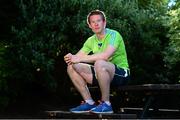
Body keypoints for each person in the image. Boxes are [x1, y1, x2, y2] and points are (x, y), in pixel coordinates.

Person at [64, 10, 130, 114]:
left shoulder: (114, 35)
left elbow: (105, 56)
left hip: (121, 74)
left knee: (99, 63)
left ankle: (106, 104)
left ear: (104, 22)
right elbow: (77, 57)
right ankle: (89, 102)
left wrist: (79, 58)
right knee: (71, 66)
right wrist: (71, 57)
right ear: (89, 25)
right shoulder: (90, 40)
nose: (96, 24)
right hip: (101, 74)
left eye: (98, 21)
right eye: (93, 22)